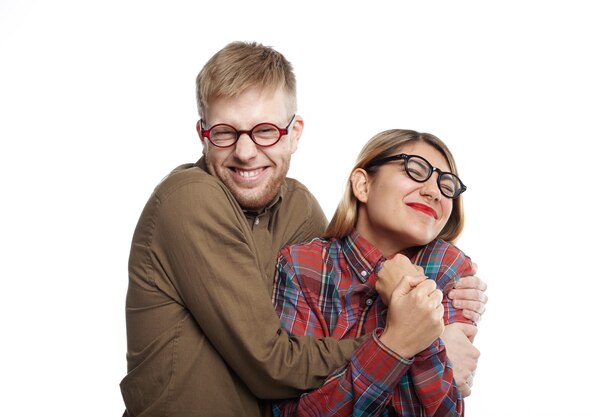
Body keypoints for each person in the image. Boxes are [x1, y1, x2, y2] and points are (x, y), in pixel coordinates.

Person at [120, 41, 488, 417]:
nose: (245, 152)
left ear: (294, 133)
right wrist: (417, 342)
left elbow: (344, 280)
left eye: (265, 131)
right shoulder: (190, 198)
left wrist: (451, 291)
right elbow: (271, 363)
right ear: (202, 134)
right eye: (225, 132)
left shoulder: (298, 207)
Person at [272, 129, 478, 416]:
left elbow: (444, 411)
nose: (433, 192)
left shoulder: (450, 268)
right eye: (414, 169)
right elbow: (292, 411)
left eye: (446, 185)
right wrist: (401, 341)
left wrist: (410, 293)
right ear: (363, 185)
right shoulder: (302, 265)